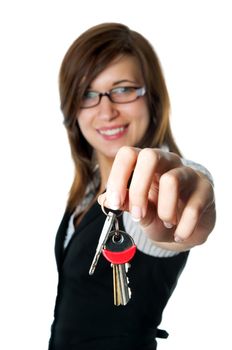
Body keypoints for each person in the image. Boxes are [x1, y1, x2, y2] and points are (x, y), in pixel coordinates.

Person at [48, 23, 216, 350]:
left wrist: (188, 197)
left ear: (151, 98)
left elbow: (168, 222)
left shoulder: (152, 190)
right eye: (87, 94)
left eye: (123, 89)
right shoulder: (86, 194)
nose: (106, 110)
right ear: (73, 109)